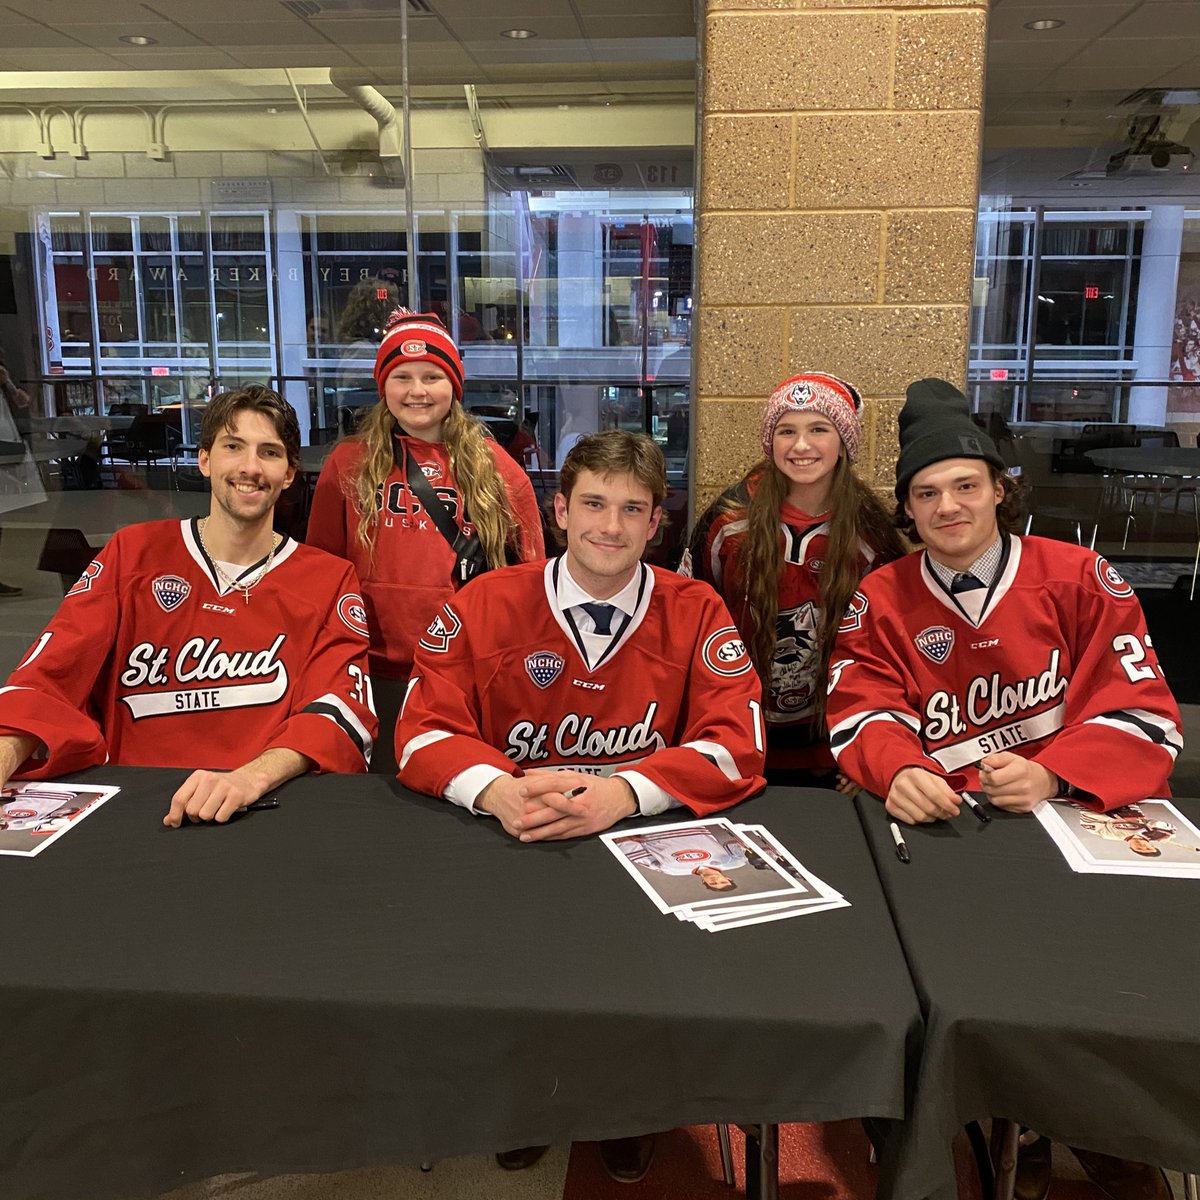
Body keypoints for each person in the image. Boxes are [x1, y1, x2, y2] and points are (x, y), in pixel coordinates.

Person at [825, 376, 1181, 1200]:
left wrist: (1058, 770)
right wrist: (902, 767)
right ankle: (988, 1120)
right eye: (926, 493)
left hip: (1068, 820)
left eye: (964, 487)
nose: (948, 507)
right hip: (949, 838)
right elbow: (859, 703)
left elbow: (1146, 710)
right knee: (951, 983)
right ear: (907, 511)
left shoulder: (1080, 576)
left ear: (997, 491)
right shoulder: (882, 595)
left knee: (1097, 977)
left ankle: (1083, 1122)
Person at [397, 429, 766, 1184]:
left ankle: (625, 1111)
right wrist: (496, 788)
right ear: (559, 509)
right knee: (512, 970)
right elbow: (418, 731)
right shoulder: (485, 600)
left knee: (641, 983)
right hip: (519, 828)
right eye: (594, 503)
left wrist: (623, 791)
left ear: (656, 522)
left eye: (632, 509)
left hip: (635, 839)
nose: (611, 526)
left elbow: (740, 744)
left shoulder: (696, 609)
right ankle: (533, 1100)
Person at [0, 385, 378, 827]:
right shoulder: (132, 553)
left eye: (270, 453)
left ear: (290, 473)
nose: (250, 468)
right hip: (131, 805)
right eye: (233, 447)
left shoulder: (329, 579)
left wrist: (250, 778)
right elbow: (50, 674)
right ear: (204, 459)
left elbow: (337, 712)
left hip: (265, 808)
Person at [682, 372, 905, 785]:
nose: (801, 446)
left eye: (818, 429)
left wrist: (873, 749)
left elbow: (886, 651)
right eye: (787, 430)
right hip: (735, 735)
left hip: (830, 746)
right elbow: (689, 622)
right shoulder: (729, 519)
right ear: (771, 442)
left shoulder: (870, 533)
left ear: (845, 442)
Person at [307, 309, 544, 688]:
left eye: (432, 377)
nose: (417, 391)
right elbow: (322, 568)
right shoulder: (348, 462)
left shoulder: (496, 467)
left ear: (453, 385)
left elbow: (529, 573)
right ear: (384, 386)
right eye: (402, 377)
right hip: (368, 663)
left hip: (461, 664)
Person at [617, 825, 750, 890]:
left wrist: (623, 839)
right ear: (728, 878)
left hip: (649, 827)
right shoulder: (733, 861)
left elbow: (635, 853)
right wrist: (750, 854)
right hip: (689, 822)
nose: (716, 880)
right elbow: (738, 845)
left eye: (713, 883)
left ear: (704, 882)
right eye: (722, 882)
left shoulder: (673, 871)